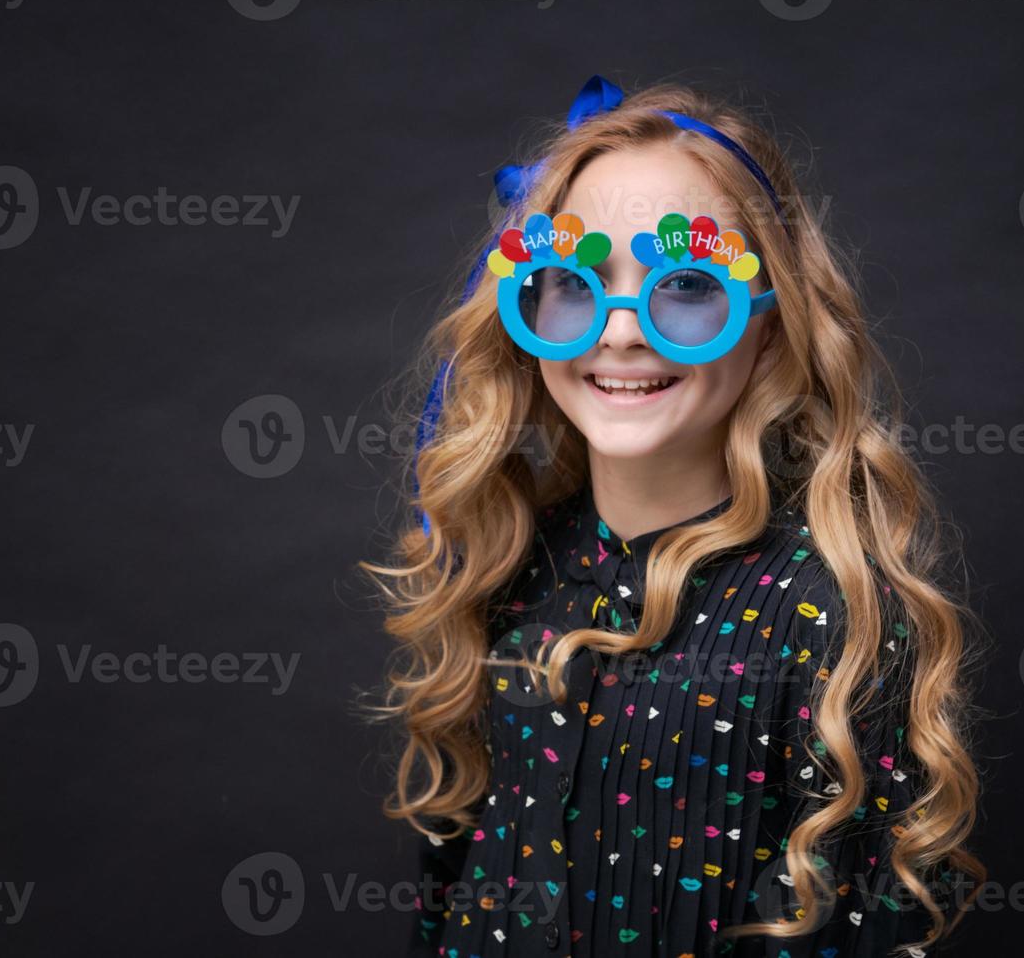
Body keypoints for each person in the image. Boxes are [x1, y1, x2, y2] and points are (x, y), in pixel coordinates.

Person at [363, 75, 984, 957]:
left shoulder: (829, 615)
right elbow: (454, 892)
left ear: (771, 323)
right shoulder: (510, 570)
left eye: (687, 283)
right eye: (576, 283)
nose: (619, 333)